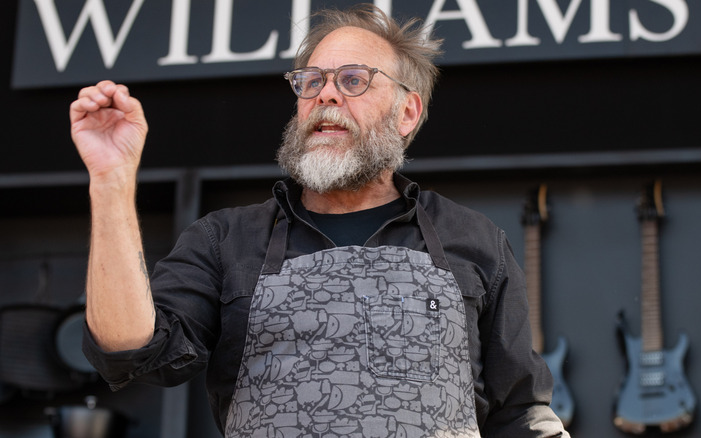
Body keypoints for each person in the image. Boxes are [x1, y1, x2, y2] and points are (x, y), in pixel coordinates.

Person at [70, 4, 570, 437]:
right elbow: (130, 349)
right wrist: (111, 181)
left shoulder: (476, 239)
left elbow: (521, 413)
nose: (325, 95)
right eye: (312, 81)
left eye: (353, 80)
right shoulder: (224, 239)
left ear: (407, 112)